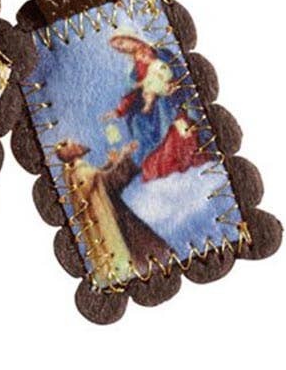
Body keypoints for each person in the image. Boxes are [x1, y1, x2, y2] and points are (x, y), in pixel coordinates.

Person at [56, 139, 170, 289]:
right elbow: (107, 181)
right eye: (73, 144)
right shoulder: (79, 172)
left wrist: (112, 162)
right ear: (71, 152)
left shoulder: (74, 173)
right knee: (139, 248)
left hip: (110, 216)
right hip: (109, 220)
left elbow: (98, 178)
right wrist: (124, 155)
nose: (78, 143)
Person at [104, 31, 211, 182]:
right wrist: (119, 111)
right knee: (138, 123)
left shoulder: (160, 53)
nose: (122, 48)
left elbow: (176, 71)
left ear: (131, 37)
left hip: (171, 101)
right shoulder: (134, 68)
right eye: (118, 48)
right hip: (155, 108)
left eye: (121, 43)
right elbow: (133, 92)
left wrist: (172, 84)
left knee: (178, 129)